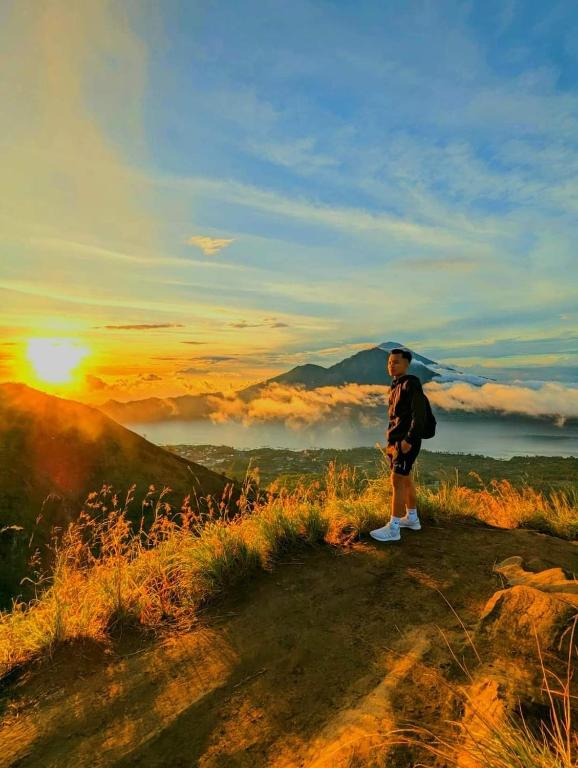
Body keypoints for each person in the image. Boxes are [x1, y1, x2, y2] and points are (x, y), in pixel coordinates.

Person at [370, 347, 427, 543]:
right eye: (389, 362)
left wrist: (408, 440)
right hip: (396, 442)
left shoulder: (411, 384)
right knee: (406, 478)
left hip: (405, 442)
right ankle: (412, 518)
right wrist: (392, 442)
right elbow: (397, 419)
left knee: (396, 481)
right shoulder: (396, 385)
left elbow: (420, 416)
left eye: (396, 362)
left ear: (407, 365)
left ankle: (393, 528)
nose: (391, 365)